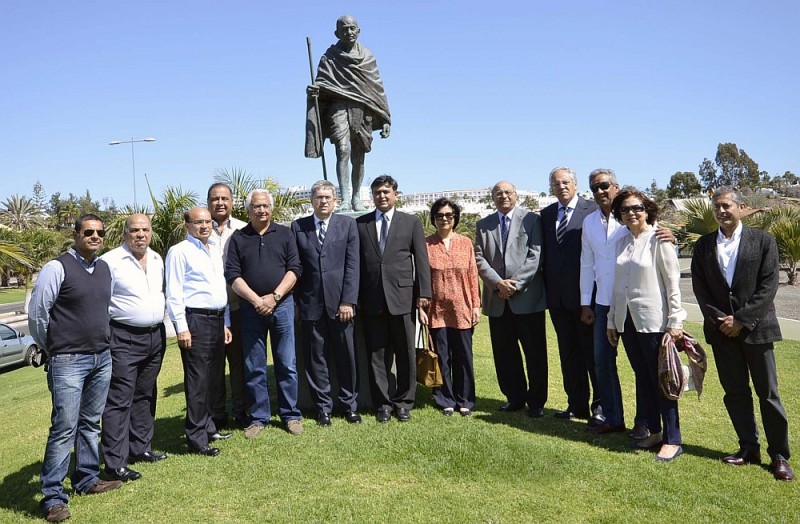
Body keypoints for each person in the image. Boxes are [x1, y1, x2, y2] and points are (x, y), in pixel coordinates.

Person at [691, 187, 793, 481]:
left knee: (769, 394)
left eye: (726, 206)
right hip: (722, 332)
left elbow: (768, 286)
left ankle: (779, 456)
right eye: (716, 207)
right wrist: (722, 320)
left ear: (740, 207)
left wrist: (742, 320)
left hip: (757, 330)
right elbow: (701, 289)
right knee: (735, 393)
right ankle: (748, 447)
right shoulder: (704, 245)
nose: (721, 211)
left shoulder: (763, 241)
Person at [28, 214, 122, 523]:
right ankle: (53, 497)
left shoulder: (104, 268)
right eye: (88, 232)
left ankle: (87, 479)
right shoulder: (57, 268)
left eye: (100, 232)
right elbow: (39, 313)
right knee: (64, 427)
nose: (95, 236)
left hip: (101, 357)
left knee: (90, 423)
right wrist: (52, 347)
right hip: (68, 360)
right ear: (76, 234)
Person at [580, 170, 676, 438]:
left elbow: (650, 234)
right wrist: (585, 301)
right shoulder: (589, 223)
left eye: (604, 185)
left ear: (615, 186)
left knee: (644, 367)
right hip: (604, 304)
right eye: (594, 187)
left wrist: (668, 235)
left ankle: (645, 422)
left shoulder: (636, 220)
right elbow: (587, 263)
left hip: (636, 307)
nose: (600, 191)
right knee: (602, 362)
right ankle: (612, 417)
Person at [607, 188, 686, 462]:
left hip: (654, 321)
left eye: (637, 208)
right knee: (643, 377)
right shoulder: (621, 242)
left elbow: (672, 283)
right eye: (626, 209)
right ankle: (652, 430)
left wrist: (676, 319)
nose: (632, 213)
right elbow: (616, 286)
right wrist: (612, 320)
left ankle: (673, 439)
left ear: (647, 210)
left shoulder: (660, 239)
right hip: (627, 321)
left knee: (662, 379)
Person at [226, 190, 304, 437]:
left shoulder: (285, 233)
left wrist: (274, 297)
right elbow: (233, 275)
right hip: (251, 310)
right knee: (254, 365)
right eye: (256, 206)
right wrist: (256, 300)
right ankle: (259, 417)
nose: (261, 210)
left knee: (286, 363)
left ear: (272, 208)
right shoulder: (238, 238)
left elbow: (294, 269)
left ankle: (291, 415)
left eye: (265, 206)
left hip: (282, 307)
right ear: (248, 210)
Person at [356, 175, 431, 422]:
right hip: (372, 300)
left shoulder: (410, 222)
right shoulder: (361, 224)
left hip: (403, 298)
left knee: (405, 352)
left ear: (396, 194)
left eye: (386, 192)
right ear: (372, 196)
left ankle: (404, 402)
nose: (382, 196)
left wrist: (423, 295)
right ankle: (383, 404)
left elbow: (421, 261)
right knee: (377, 355)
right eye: (377, 192)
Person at [100, 213, 168, 483]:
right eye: (135, 230)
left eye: (145, 230)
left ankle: (141, 448)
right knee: (119, 399)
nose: (141, 235)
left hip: (155, 336)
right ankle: (115, 463)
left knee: (145, 394)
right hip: (124, 337)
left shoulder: (156, 258)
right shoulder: (110, 261)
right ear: (125, 233)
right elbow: (101, 302)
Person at [475, 181, 547, 418]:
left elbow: (535, 256)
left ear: (516, 196)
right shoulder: (483, 225)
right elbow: (479, 258)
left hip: (526, 299)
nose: (503, 196)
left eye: (508, 192)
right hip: (497, 301)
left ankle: (536, 402)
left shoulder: (532, 220)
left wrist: (514, 285)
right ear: (493, 197)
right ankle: (514, 397)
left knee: (534, 353)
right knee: (505, 354)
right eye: (498, 193)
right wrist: (498, 284)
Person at [292, 180, 361, 426]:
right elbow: (296, 268)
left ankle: (349, 405)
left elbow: (353, 266)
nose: (323, 201)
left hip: (341, 305)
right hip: (310, 305)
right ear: (311, 200)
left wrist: (348, 300)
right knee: (316, 359)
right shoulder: (298, 227)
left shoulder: (348, 225)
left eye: (327, 198)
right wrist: (298, 304)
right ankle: (323, 408)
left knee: (347, 356)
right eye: (318, 197)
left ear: (335, 201)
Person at [165, 207, 232, 457]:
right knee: (197, 380)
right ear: (187, 226)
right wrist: (181, 328)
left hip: (216, 320)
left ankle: (209, 426)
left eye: (207, 222)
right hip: (195, 321)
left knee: (214, 377)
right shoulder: (179, 252)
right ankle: (196, 438)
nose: (204, 226)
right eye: (198, 222)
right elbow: (173, 292)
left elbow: (219, 288)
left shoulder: (214, 248)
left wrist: (225, 321)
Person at [306, 15, 391, 212]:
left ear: (359, 31)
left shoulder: (367, 57)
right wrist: (314, 92)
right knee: (342, 150)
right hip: (338, 107)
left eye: (352, 28)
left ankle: (355, 198)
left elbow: (376, 89)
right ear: (337, 33)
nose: (349, 32)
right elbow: (322, 83)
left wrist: (385, 117)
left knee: (359, 155)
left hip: (362, 108)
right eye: (344, 29)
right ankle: (344, 197)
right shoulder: (329, 57)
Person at [541, 167, 601, 424]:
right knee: (568, 354)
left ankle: (600, 407)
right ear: (551, 188)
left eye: (566, 182)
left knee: (592, 355)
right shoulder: (545, 214)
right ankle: (576, 405)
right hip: (557, 300)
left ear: (575, 185)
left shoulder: (593, 211)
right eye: (556, 183)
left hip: (586, 299)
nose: (562, 186)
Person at [419, 198, 480, 417]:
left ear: (455, 218)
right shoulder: (426, 244)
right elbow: (421, 279)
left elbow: (473, 275)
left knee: (464, 357)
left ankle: (465, 399)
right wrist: (421, 307)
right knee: (441, 355)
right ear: (434, 219)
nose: (444, 219)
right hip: (436, 309)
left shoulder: (465, 243)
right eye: (439, 215)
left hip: (462, 307)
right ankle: (445, 398)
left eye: (449, 215)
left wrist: (476, 306)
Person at [207, 182, 248, 429]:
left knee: (241, 363)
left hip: (240, 307)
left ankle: (242, 411)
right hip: (211, 311)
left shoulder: (244, 230)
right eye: (215, 199)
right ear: (208, 201)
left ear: (232, 202)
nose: (220, 203)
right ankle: (218, 414)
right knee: (214, 365)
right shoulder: (198, 231)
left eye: (224, 198)